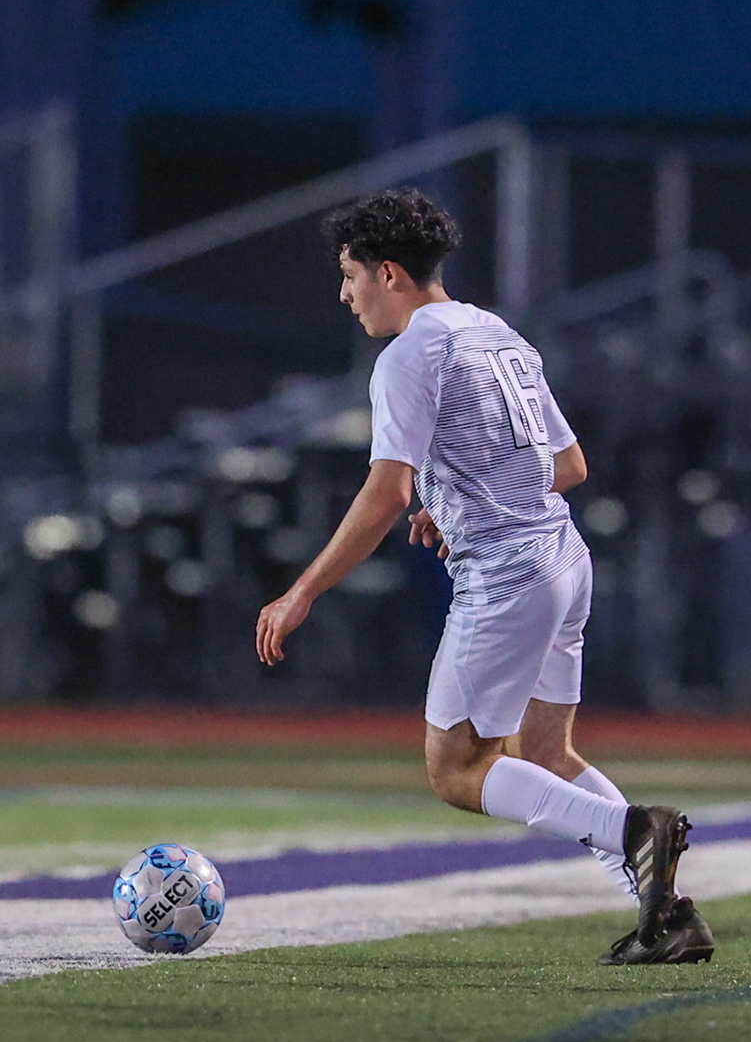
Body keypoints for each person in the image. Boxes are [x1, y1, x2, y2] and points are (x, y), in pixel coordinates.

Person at [255, 188, 711, 964]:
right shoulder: (497, 333)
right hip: (564, 560)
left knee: (458, 770)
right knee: (543, 753)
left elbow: (385, 492)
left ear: (389, 273)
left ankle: (635, 830)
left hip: (508, 578)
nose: (344, 294)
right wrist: (457, 497)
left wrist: (304, 589)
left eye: (350, 274)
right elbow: (568, 466)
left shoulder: (407, 355)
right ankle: (667, 922)